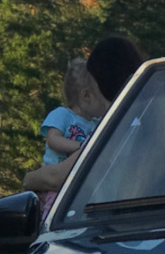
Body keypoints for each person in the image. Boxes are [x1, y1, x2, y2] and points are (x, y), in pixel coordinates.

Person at [22, 34, 146, 196]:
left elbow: (57, 178)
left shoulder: (120, 125)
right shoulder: (148, 116)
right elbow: (53, 140)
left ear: (103, 82)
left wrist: (29, 179)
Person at [40, 57, 103, 165]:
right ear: (86, 96)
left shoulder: (97, 124)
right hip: (55, 171)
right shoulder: (62, 114)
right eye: (102, 94)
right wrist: (82, 147)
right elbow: (53, 139)